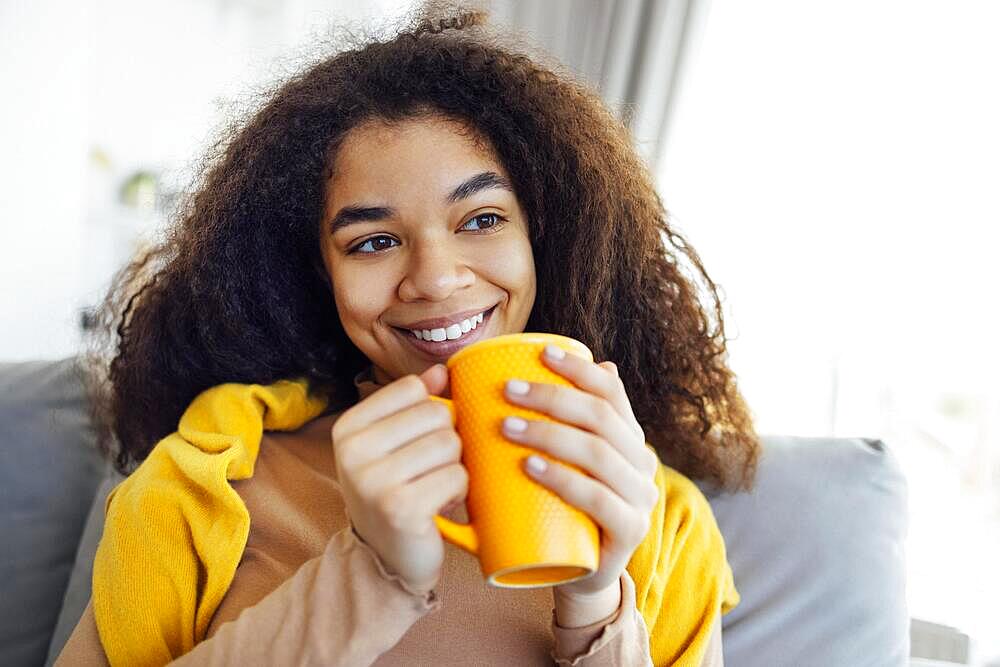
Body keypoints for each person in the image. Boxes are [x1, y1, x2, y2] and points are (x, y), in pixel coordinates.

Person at [57, 7, 759, 666]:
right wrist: (370, 575)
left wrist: (595, 604)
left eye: (481, 219)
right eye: (374, 241)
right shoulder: (204, 487)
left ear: (544, 234)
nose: (435, 278)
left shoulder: (658, 517)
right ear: (317, 272)